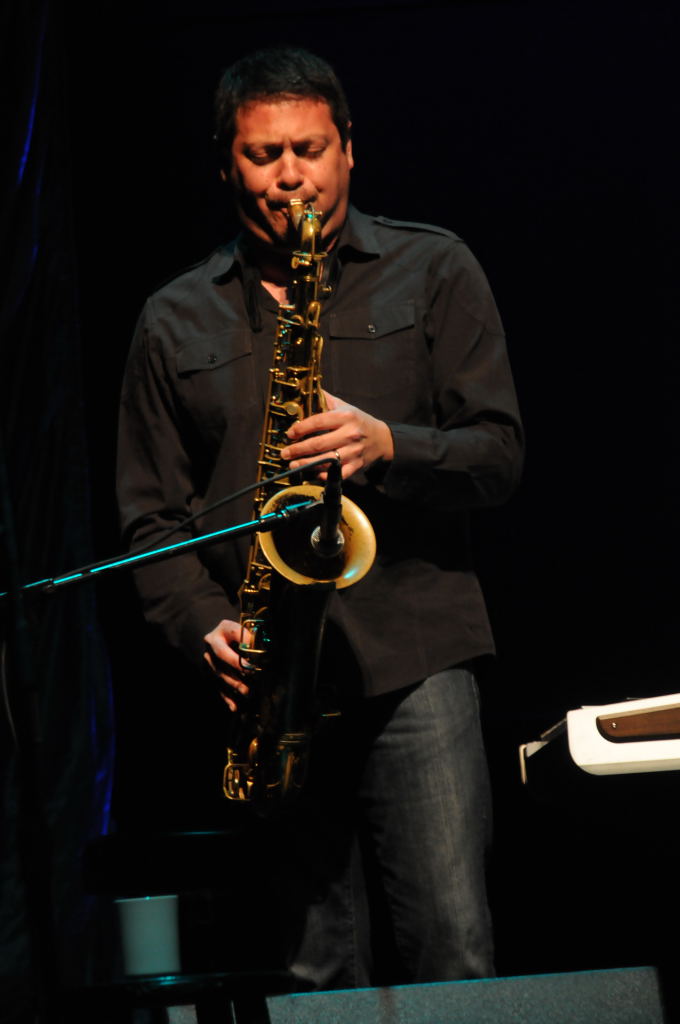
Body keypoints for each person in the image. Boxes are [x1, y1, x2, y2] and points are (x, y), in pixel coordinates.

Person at [116, 46, 523, 990]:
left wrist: (388, 446)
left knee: (455, 950)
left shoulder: (433, 266)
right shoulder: (172, 319)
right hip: (271, 679)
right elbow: (149, 521)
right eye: (264, 155)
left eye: (309, 149)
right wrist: (201, 624)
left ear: (348, 150)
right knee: (313, 972)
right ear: (227, 165)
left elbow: (500, 453)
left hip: (415, 658)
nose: (290, 176)